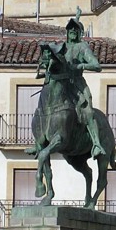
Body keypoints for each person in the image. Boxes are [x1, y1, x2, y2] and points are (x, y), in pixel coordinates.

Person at [45, 10, 105, 159]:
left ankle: (97, 144)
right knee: (45, 104)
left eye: (75, 29)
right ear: (66, 31)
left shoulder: (82, 47)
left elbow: (96, 65)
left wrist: (79, 66)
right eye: (70, 28)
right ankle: (40, 140)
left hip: (77, 86)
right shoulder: (61, 47)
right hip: (62, 84)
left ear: (79, 32)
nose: (72, 31)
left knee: (88, 112)